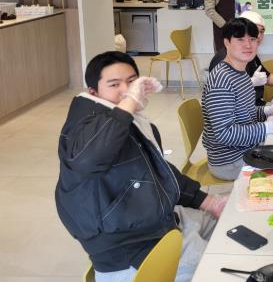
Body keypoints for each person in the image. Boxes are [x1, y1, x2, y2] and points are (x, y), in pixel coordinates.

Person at [55, 52, 227, 282]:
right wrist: (128, 104)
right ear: (93, 92)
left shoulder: (128, 120)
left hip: (158, 223)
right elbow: (89, 159)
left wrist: (209, 202)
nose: (126, 90)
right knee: (222, 267)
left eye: (131, 82)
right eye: (114, 84)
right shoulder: (85, 125)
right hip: (130, 249)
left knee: (229, 225)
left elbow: (160, 172)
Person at [202, 18, 273, 180]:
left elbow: (243, 112)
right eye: (240, 39)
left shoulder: (240, 72)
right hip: (229, 161)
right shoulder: (221, 81)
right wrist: (267, 127)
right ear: (227, 43)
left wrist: (267, 110)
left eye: (252, 39)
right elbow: (225, 134)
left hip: (247, 148)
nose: (248, 45)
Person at [209, 11, 273, 106]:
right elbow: (226, 100)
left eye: (261, 31)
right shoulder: (222, 62)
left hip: (255, 107)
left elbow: (267, 77)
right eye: (241, 39)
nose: (258, 36)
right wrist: (250, 83)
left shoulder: (248, 54)